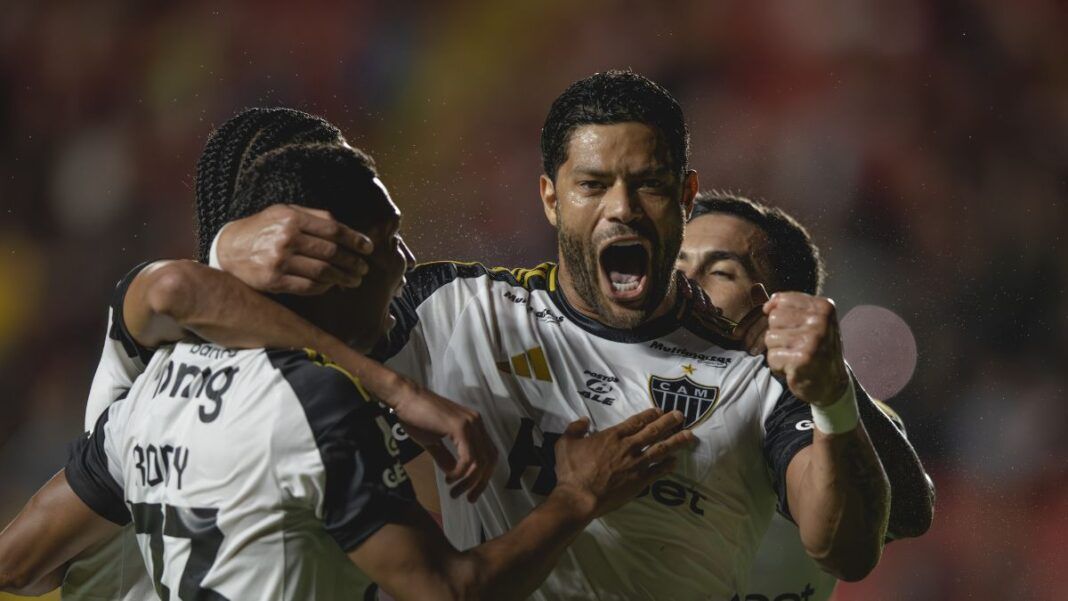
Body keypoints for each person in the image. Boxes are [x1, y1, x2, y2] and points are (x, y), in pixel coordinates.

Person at [210, 70, 894, 599]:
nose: (621, 209)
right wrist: (222, 255)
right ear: (549, 197)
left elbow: (848, 549)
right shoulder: (457, 310)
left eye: (647, 186)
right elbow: (264, 337)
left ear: (686, 197)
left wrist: (834, 397)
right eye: (593, 184)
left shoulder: (751, 371)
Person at [0, 136, 696, 600]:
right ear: (330, 261)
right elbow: (450, 589)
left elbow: (16, 562)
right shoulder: (318, 404)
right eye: (390, 241)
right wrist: (578, 497)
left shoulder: (154, 383)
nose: (405, 264)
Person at [677, 191, 936, 601]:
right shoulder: (600, 370)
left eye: (722, 273)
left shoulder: (835, 414)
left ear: (777, 309)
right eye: (677, 264)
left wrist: (833, 386)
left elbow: (910, 512)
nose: (686, 283)